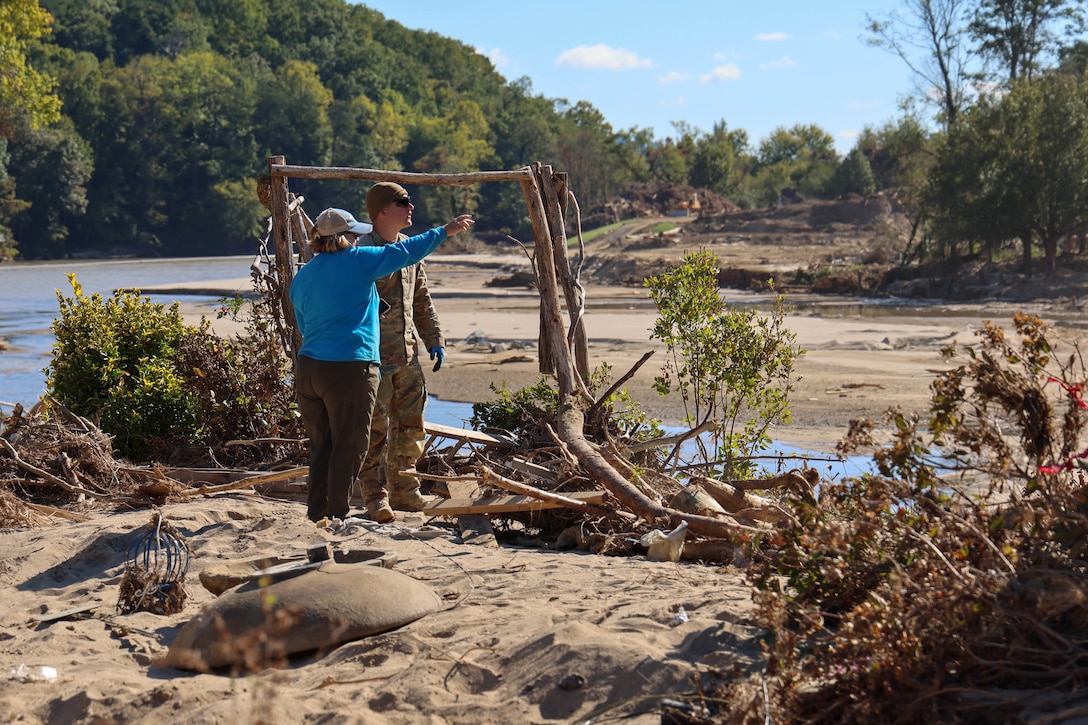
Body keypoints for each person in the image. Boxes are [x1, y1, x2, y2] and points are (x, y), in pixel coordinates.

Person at [290, 205, 474, 523]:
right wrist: (444, 231)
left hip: (309, 369)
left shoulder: (304, 275)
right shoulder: (360, 261)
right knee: (353, 445)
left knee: (322, 445)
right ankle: (336, 515)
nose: (357, 239)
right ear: (344, 238)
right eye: (353, 234)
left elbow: (304, 325)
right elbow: (406, 251)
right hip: (349, 368)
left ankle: (316, 514)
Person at [355, 182, 446, 523]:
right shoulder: (361, 251)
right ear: (381, 210)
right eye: (402, 202)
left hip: (407, 356)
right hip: (372, 358)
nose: (411, 207)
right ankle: (376, 498)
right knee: (374, 430)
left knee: (410, 425)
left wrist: (433, 337)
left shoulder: (410, 249)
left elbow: (421, 299)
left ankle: (406, 492)